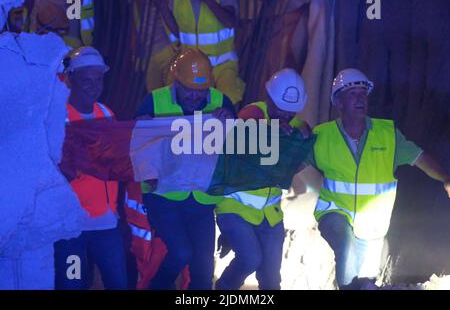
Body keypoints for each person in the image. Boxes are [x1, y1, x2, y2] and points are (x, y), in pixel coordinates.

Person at [309, 68, 450, 289]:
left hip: (371, 225)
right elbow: (294, 162)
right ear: (338, 101)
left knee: (363, 279)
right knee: (346, 253)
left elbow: (420, 158)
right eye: (353, 93)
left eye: (363, 93)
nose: (361, 98)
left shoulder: (387, 135)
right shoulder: (322, 136)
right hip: (334, 212)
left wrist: (445, 178)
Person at [135, 48, 235, 290]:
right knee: (181, 252)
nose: (193, 96)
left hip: (201, 198)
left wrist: (229, 121)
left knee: (203, 270)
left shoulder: (221, 102)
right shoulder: (154, 101)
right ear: (175, 80)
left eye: (199, 91)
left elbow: (235, 148)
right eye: (188, 89)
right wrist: (143, 127)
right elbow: (136, 146)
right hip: (164, 196)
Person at [215, 68, 311, 290]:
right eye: (281, 109)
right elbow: (247, 131)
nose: (286, 116)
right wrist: (274, 131)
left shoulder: (296, 126)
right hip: (235, 207)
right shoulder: (253, 113)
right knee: (250, 259)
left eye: (291, 112)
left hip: (270, 214)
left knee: (270, 278)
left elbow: (292, 166)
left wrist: (300, 145)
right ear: (268, 98)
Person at [55, 46, 128, 290]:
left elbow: (117, 160)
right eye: (87, 80)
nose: (94, 85)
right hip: (72, 227)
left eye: (98, 79)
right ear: (70, 80)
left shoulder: (106, 113)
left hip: (106, 223)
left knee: (117, 283)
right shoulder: (59, 117)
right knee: (72, 285)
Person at [156, 0, 245, 105]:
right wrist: (163, 7)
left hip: (222, 66)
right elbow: (178, 32)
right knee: (173, 97)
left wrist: (209, 0)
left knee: (228, 99)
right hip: (190, 67)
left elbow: (231, 22)